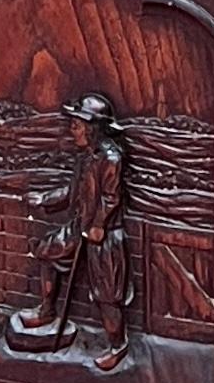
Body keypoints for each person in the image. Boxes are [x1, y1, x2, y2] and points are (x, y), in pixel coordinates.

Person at [8, 94, 132, 365]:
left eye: (76, 125)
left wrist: (99, 224)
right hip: (80, 226)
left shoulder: (109, 158)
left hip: (105, 234)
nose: (72, 130)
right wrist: (45, 199)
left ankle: (117, 345)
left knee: (107, 295)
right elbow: (72, 192)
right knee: (47, 251)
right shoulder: (84, 158)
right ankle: (47, 310)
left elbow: (111, 197)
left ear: (93, 127)